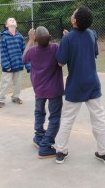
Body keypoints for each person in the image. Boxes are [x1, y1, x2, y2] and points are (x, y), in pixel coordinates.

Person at [54, 6, 105, 165]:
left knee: (67, 118)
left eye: (74, 13)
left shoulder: (67, 39)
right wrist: (69, 39)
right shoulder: (91, 34)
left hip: (75, 85)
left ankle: (61, 151)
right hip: (92, 83)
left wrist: (66, 41)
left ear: (74, 20)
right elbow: (92, 51)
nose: (72, 13)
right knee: (99, 118)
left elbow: (60, 62)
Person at [22, 26, 64, 159]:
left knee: (39, 112)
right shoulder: (55, 47)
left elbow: (23, 58)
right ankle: (45, 146)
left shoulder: (33, 51)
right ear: (50, 38)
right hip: (54, 89)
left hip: (39, 89)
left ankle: (39, 136)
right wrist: (66, 37)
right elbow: (62, 58)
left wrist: (30, 40)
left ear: (36, 39)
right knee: (55, 117)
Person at [0, 17, 31, 108]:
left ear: (16, 24)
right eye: (10, 20)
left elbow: (25, 51)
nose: (12, 20)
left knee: (17, 83)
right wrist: (6, 65)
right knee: (4, 83)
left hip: (18, 64)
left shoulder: (20, 37)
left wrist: (28, 65)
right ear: (7, 25)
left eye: (14, 20)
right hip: (8, 66)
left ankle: (15, 97)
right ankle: (1, 100)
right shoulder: (4, 37)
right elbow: (3, 52)